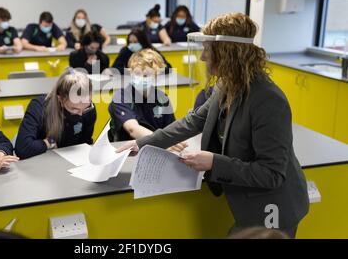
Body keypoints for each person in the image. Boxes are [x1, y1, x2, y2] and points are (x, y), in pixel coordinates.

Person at [117, 13, 309, 238]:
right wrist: (142, 144)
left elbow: (271, 174)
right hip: (251, 204)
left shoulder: (267, 99)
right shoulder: (227, 86)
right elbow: (193, 121)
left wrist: (214, 162)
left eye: (207, 49)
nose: (202, 58)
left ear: (227, 53)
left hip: (273, 207)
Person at [15, 68, 97, 159]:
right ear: (60, 99)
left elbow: (85, 144)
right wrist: (50, 142)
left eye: (85, 108)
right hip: (43, 162)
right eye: (74, 109)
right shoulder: (39, 106)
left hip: (72, 162)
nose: (81, 114)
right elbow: (23, 148)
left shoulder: (89, 110)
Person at [108, 49, 181, 146]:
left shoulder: (163, 98)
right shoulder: (120, 97)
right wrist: (164, 142)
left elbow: (170, 130)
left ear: (156, 76)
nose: (141, 78)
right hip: (128, 151)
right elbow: (133, 129)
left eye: (146, 75)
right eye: (137, 74)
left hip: (157, 149)